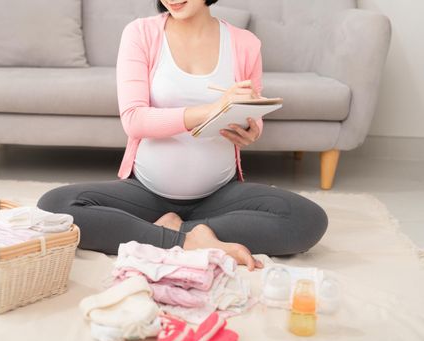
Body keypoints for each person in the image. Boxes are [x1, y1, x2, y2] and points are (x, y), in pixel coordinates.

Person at [37, 0, 328, 270]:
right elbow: (134, 120)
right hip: (146, 192)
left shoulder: (245, 43)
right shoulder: (140, 33)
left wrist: (251, 129)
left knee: (308, 220)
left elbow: (252, 105)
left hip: (219, 194)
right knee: (55, 206)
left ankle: (178, 231)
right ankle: (189, 241)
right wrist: (211, 109)